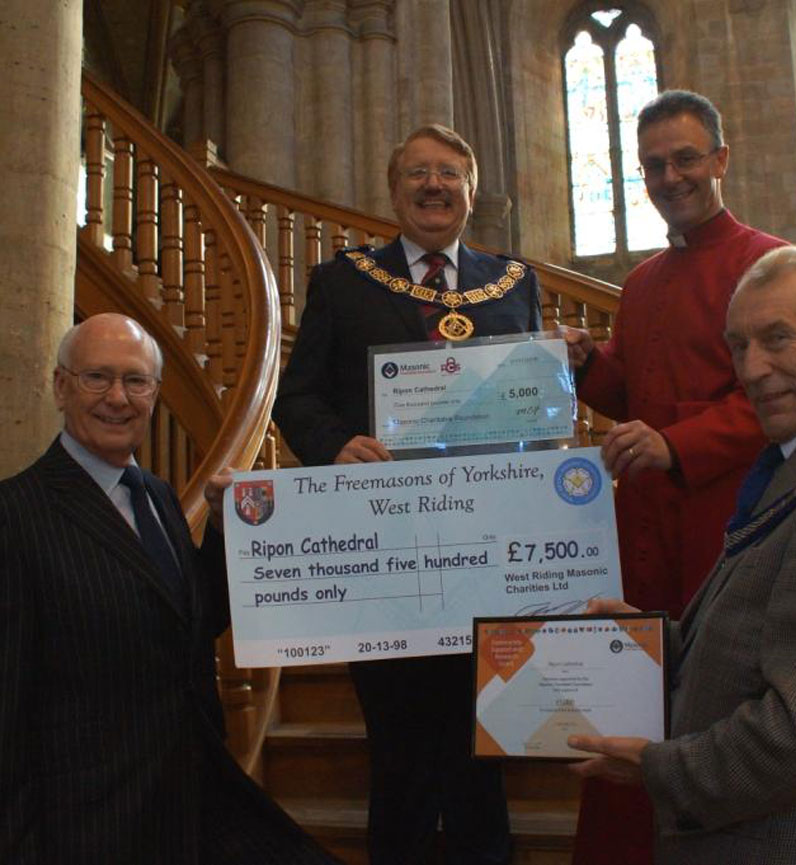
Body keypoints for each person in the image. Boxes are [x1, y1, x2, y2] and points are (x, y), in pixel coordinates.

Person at [568, 246, 796, 864]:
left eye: (777, 339)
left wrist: (661, 767)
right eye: (739, 346)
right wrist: (649, 641)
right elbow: (757, 641)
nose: (753, 368)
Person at [0, 313, 338, 865]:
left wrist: (226, 537)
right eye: (96, 378)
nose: (117, 398)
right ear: (60, 386)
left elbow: (190, 624)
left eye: (136, 381)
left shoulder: (157, 496)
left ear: (155, 393)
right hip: (89, 827)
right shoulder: (2, 520)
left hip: (194, 801)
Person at [272, 125, 540, 864]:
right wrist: (332, 444)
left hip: (488, 555)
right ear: (393, 192)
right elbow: (295, 399)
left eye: (449, 173)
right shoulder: (343, 282)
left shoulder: (515, 284)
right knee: (397, 750)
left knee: (484, 745)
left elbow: (535, 414)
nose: (434, 185)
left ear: (471, 190)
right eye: (418, 172)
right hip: (383, 556)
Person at [564, 89, 786, 863]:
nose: (670, 175)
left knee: (708, 717)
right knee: (629, 713)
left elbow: (780, 400)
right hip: (640, 535)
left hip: (724, 532)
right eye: (654, 164)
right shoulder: (643, 281)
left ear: (720, 161)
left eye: (685, 158)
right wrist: (593, 366)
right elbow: (637, 398)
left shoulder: (769, 265)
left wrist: (674, 443)